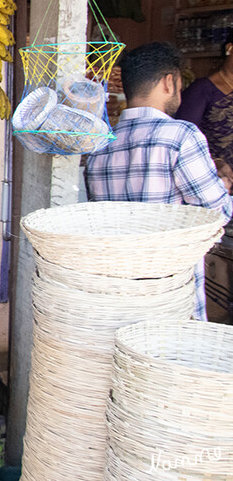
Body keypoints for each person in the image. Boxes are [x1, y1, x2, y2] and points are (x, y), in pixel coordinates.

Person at [85, 42, 233, 321]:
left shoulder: (99, 149)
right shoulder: (181, 136)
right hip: (171, 298)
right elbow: (218, 213)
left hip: (119, 298)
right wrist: (222, 187)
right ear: (169, 82)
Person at [175, 34, 233, 181]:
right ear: (230, 48)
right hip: (215, 183)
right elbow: (183, 140)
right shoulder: (202, 90)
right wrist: (216, 162)